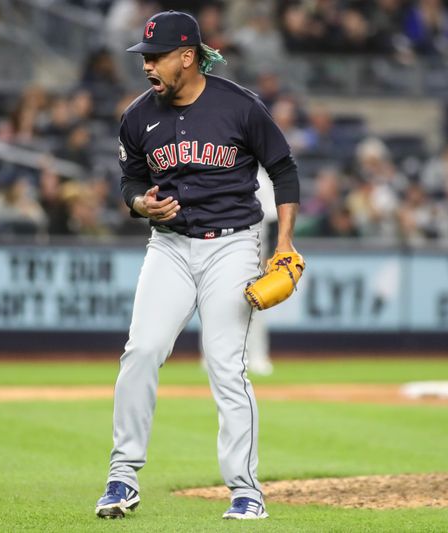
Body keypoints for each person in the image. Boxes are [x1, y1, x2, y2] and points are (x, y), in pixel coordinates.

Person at [95, 10, 300, 521]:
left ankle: (246, 490)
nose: (147, 66)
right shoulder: (137, 116)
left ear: (187, 56)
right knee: (140, 350)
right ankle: (122, 477)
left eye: (156, 56)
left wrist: (286, 245)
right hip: (168, 244)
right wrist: (141, 205)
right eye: (144, 57)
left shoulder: (239, 106)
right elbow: (131, 184)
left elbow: (284, 169)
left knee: (226, 363)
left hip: (232, 244)